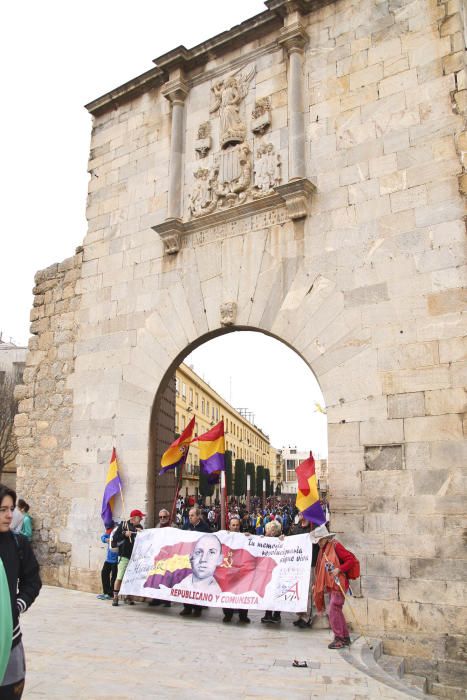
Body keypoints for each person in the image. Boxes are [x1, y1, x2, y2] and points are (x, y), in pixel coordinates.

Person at [0, 484, 42, 699]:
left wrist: (16, 606)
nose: (9, 515)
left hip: (10, 639)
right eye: (2, 510)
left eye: (11, 509)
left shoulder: (18, 543)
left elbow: (32, 581)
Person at [312, 524, 356, 649]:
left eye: (320, 540)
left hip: (339, 583)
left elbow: (350, 560)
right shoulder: (323, 550)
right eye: (317, 541)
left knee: (333, 609)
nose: (318, 543)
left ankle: (339, 638)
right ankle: (345, 637)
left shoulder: (336, 546)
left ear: (325, 538)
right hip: (333, 584)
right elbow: (321, 569)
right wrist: (316, 584)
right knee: (336, 610)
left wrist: (339, 569)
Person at [180, 507, 210, 617]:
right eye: (189, 516)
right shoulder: (185, 526)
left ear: (198, 516)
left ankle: (197, 609)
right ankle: (187, 607)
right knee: (186, 583)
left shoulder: (205, 528)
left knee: (198, 584)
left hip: (199, 560)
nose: (190, 517)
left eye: (192, 515)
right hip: (187, 559)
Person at [111, 509, 144, 607]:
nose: (141, 519)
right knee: (120, 577)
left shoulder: (140, 527)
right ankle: (115, 597)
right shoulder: (123, 525)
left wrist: (140, 533)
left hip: (134, 557)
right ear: (135, 518)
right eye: (140, 517)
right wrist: (124, 534)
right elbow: (115, 538)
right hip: (124, 555)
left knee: (131, 578)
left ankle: (128, 596)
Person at [291, 513, 319, 629]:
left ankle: (307, 617)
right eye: (299, 512)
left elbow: (319, 543)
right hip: (298, 564)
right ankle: (300, 615)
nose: (299, 514)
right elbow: (290, 540)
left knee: (308, 591)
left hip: (310, 563)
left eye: (302, 512)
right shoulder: (296, 527)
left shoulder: (314, 528)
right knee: (299, 590)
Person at [222, 517, 250, 624]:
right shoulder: (225, 536)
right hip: (228, 569)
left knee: (242, 593)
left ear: (240, 526)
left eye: (237, 525)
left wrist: (249, 537)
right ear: (229, 526)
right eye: (233, 525)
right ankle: (227, 615)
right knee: (227, 593)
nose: (235, 527)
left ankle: (243, 616)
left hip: (241, 571)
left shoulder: (245, 537)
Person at [261, 520, 282, 625]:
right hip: (267, 570)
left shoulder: (282, 539)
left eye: (273, 529)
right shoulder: (263, 539)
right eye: (269, 529)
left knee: (277, 592)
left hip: (278, 570)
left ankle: (277, 614)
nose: (271, 531)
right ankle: (268, 613)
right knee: (268, 591)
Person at [97, 523, 118, 601]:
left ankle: (112, 594)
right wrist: (106, 540)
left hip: (116, 560)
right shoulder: (109, 530)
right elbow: (102, 537)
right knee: (104, 573)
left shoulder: (119, 532)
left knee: (114, 577)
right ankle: (106, 592)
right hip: (108, 559)